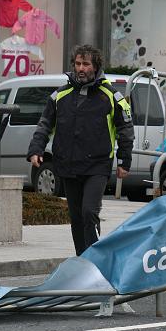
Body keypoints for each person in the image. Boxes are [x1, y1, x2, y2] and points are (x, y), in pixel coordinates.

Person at [26, 44, 135, 256]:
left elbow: (125, 129)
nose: (81, 68)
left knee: (89, 213)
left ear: (96, 66)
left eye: (86, 64)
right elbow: (44, 124)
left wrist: (124, 161)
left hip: (98, 165)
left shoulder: (112, 96)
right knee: (75, 217)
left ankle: (94, 258)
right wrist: (36, 149)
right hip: (68, 165)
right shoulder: (59, 96)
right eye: (77, 64)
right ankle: (82, 259)